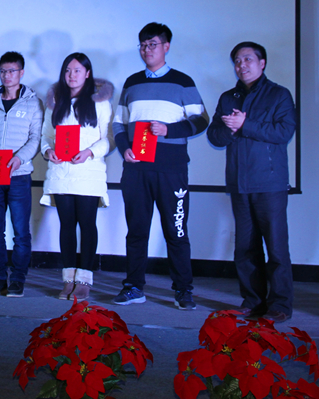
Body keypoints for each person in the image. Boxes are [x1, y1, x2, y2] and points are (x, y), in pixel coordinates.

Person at [112, 23, 209, 310]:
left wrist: (170, 130)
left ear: (166, 46)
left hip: (171, 170)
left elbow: (202, 120)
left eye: (152, 44)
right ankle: (133, 287)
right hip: (136, 169)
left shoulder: (183, 82)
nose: (147, 49)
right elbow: (118, 123)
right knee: (137, 231)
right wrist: (124, 148)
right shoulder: (132, 82)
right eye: (143, 44)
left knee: (176, 231)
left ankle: (183, 290)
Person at [207, 42, 296, 323]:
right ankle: (253, 302)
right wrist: (232, 130)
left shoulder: (279, 94)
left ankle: (280, 304)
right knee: (245, 248)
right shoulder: (228, 97)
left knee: (276, 247)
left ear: (262, 63)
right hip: (238, 182)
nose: (241, 65)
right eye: (237, 60)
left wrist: (245, 125)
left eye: (247, 59)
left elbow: (284, 132)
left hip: (270, 183)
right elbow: (214, 136)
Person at [41, 53, 114, 301]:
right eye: (67, 70)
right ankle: (68, 279)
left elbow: (108, 139)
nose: (71, 75)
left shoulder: (100, 102)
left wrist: (89, 152)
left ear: (87, 74)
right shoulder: (56, 101)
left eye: (77, 70)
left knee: (87, 225)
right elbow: (46, 136)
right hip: (61, 174)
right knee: (67, 227)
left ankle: (84, 280)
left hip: (88, 174)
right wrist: (48, 151)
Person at [0, 51, 42, 298]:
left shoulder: (33, 103)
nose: (7, 75)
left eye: (12, 71)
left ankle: (17, 279)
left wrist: (19, 158)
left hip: (19, 175)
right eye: (3, 71)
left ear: (21, 73)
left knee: (21, 232)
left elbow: (35, 138)